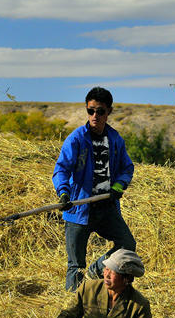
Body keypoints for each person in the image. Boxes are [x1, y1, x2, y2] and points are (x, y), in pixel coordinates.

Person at [53, 86, 136, 290]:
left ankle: (97, 269)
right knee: (75, 267)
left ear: (109, 112)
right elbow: (61, 169)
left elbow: (127, 167)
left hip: (106, 208)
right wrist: (63, 192)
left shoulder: (115, 140)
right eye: (90, 111)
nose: (95, 116)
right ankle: (73, 304)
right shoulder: (76, 139)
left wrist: (118, 185)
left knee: (127, 245)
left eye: (100, 111)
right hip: (79, 209)